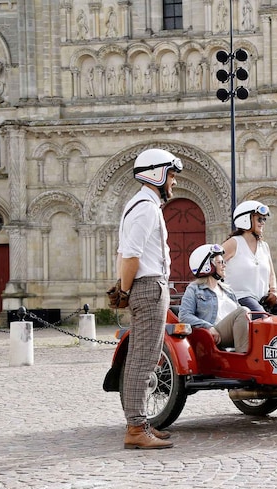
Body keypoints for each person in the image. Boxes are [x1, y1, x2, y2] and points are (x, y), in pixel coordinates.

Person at [116, 148, 182, 449]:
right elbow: (130, 254)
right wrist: (126, 290)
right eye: (172, 175)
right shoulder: (145, 206)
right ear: (157, 174)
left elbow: (125, 254)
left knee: (146, 358)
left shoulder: (143, 205)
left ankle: (140, 424)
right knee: (143, 360)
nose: (174, 183)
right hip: (147, 286)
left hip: (147, 285)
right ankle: (136, 428)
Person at [222, 200, 277, 317]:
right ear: (245, 219)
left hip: (263, 299)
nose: (263, 223)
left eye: (264, 219)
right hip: (240, 298)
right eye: (259, 219)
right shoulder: (234, 243)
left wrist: (273, 291)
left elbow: (271, 274)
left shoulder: (264, 246)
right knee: (262, 319)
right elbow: (213, 263)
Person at [179, 244, 251, 353]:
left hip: (235, 332)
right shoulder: (194, 289)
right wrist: (208, 327)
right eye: (220, 262)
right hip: (213, 334)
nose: (224, 265)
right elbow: (184, 316)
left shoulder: (228, 290)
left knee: (261, 323)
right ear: (208, 267)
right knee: (243, 311)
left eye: (224, 262)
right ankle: (245, 359)